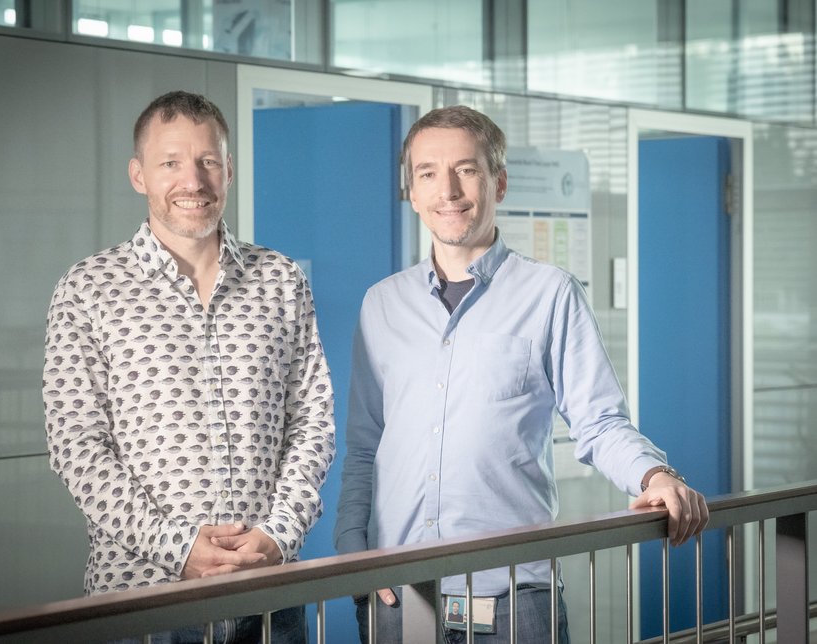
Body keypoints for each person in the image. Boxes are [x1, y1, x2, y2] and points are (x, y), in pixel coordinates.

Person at [333, 105, 710, 643]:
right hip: (398, 587)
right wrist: (353, 551)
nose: (449, 190)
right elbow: (366, 446)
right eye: (428, 173)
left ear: (499, 183)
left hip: (512, 595)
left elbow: (599, 422)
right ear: (411, 193)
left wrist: (656, 476)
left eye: (466, 169)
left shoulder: (550, 294)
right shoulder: (382, 305)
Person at [43, 90, 335, 643]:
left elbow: (312, 422)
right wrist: (176, 548)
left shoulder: (280, 280)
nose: (192, 182)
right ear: (139, 174)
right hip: (142, 599)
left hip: (267, 597)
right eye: (171, 163)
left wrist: (278, 534)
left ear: (228, 170)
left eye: (206, 162)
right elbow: (76, 446)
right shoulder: (87, 289)